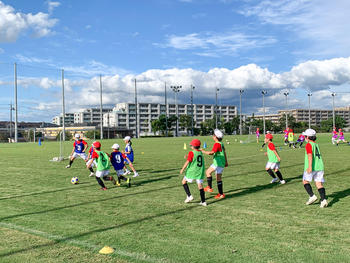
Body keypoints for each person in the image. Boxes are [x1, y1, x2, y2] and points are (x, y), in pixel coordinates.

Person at [302, 129, 328, 208]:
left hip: (312, 166)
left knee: (305, 181)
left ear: (308, 137)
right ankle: (323, 200)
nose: (304, 138)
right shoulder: (315, 144)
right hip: (319, 166)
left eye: (305, 136)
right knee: (319, 183)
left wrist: (309, 166)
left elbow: (310, 155)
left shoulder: (309, 144)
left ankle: (312, 196)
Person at [202, 129, 228, 199]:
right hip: (222, 163)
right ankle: (221, 194)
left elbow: (211, 153)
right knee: (218, 179)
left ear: (215, 137)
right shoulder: (221, 143)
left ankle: (209, 187)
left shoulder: (217, 144)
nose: (212, 137)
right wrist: (226, 162)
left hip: (217, 163)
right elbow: (224, 152)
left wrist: (203, 151)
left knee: (207, 172)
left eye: (213, 136)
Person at [180, 139, 207, 206]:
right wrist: (187, 156)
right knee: (200, 186)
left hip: (192, 171)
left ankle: (189, 196)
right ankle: (203, 201)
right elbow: (195, 158)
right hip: (200, 171)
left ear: (193, 146)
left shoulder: (191, 152)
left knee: (183, 181)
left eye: (191, 145)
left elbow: (188, 161)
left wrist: (182, 169)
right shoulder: (200, 152)